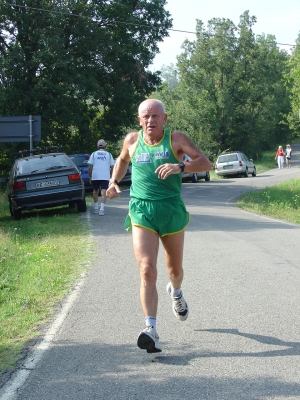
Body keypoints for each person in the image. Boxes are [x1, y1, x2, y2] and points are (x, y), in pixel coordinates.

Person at [106, 99, 211, 353]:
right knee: (146, 269)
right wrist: (113, 181)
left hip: (171, 209)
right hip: (142, 210)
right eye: (146, 116)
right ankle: (150, 329)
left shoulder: (176, 139)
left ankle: (175, 292)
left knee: (174, 270)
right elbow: (121, 161)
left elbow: (206, 163)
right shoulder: (132, 141)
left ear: (164, 119)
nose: (151, 120)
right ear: (139, 120)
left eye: (156, 116)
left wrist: (181, 166)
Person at [88, 139, 114, 215]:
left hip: (95, 176)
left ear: (97, 146)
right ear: (105, 146)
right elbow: (112, 167)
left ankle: (96, 208)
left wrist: (90, 177)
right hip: (105, 176)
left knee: (95, 191)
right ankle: (102, 209)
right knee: (103, 192)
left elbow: (90, 167)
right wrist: (111, 176)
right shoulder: (109, 154)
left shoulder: (93, 154)